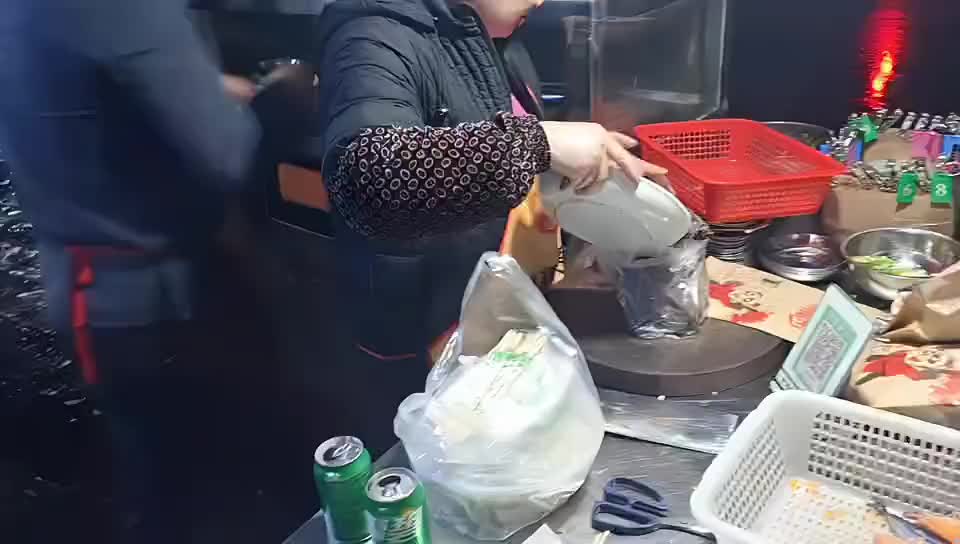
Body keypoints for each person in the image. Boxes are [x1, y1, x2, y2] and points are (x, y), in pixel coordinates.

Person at [310, 0, 669, 452]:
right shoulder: (372, 35)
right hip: (429, 349)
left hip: (505, 335)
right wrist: (537, 143)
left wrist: (584, 227)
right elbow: (370, 179)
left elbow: (506, 172)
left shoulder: (497, 38)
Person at [0, 1, 276, 541]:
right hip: (151, 300)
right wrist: (279, 99)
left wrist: (191, 84)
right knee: (194, 489)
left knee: (153, 474)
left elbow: (83, 90)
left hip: (83, 286)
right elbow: (230, 154)